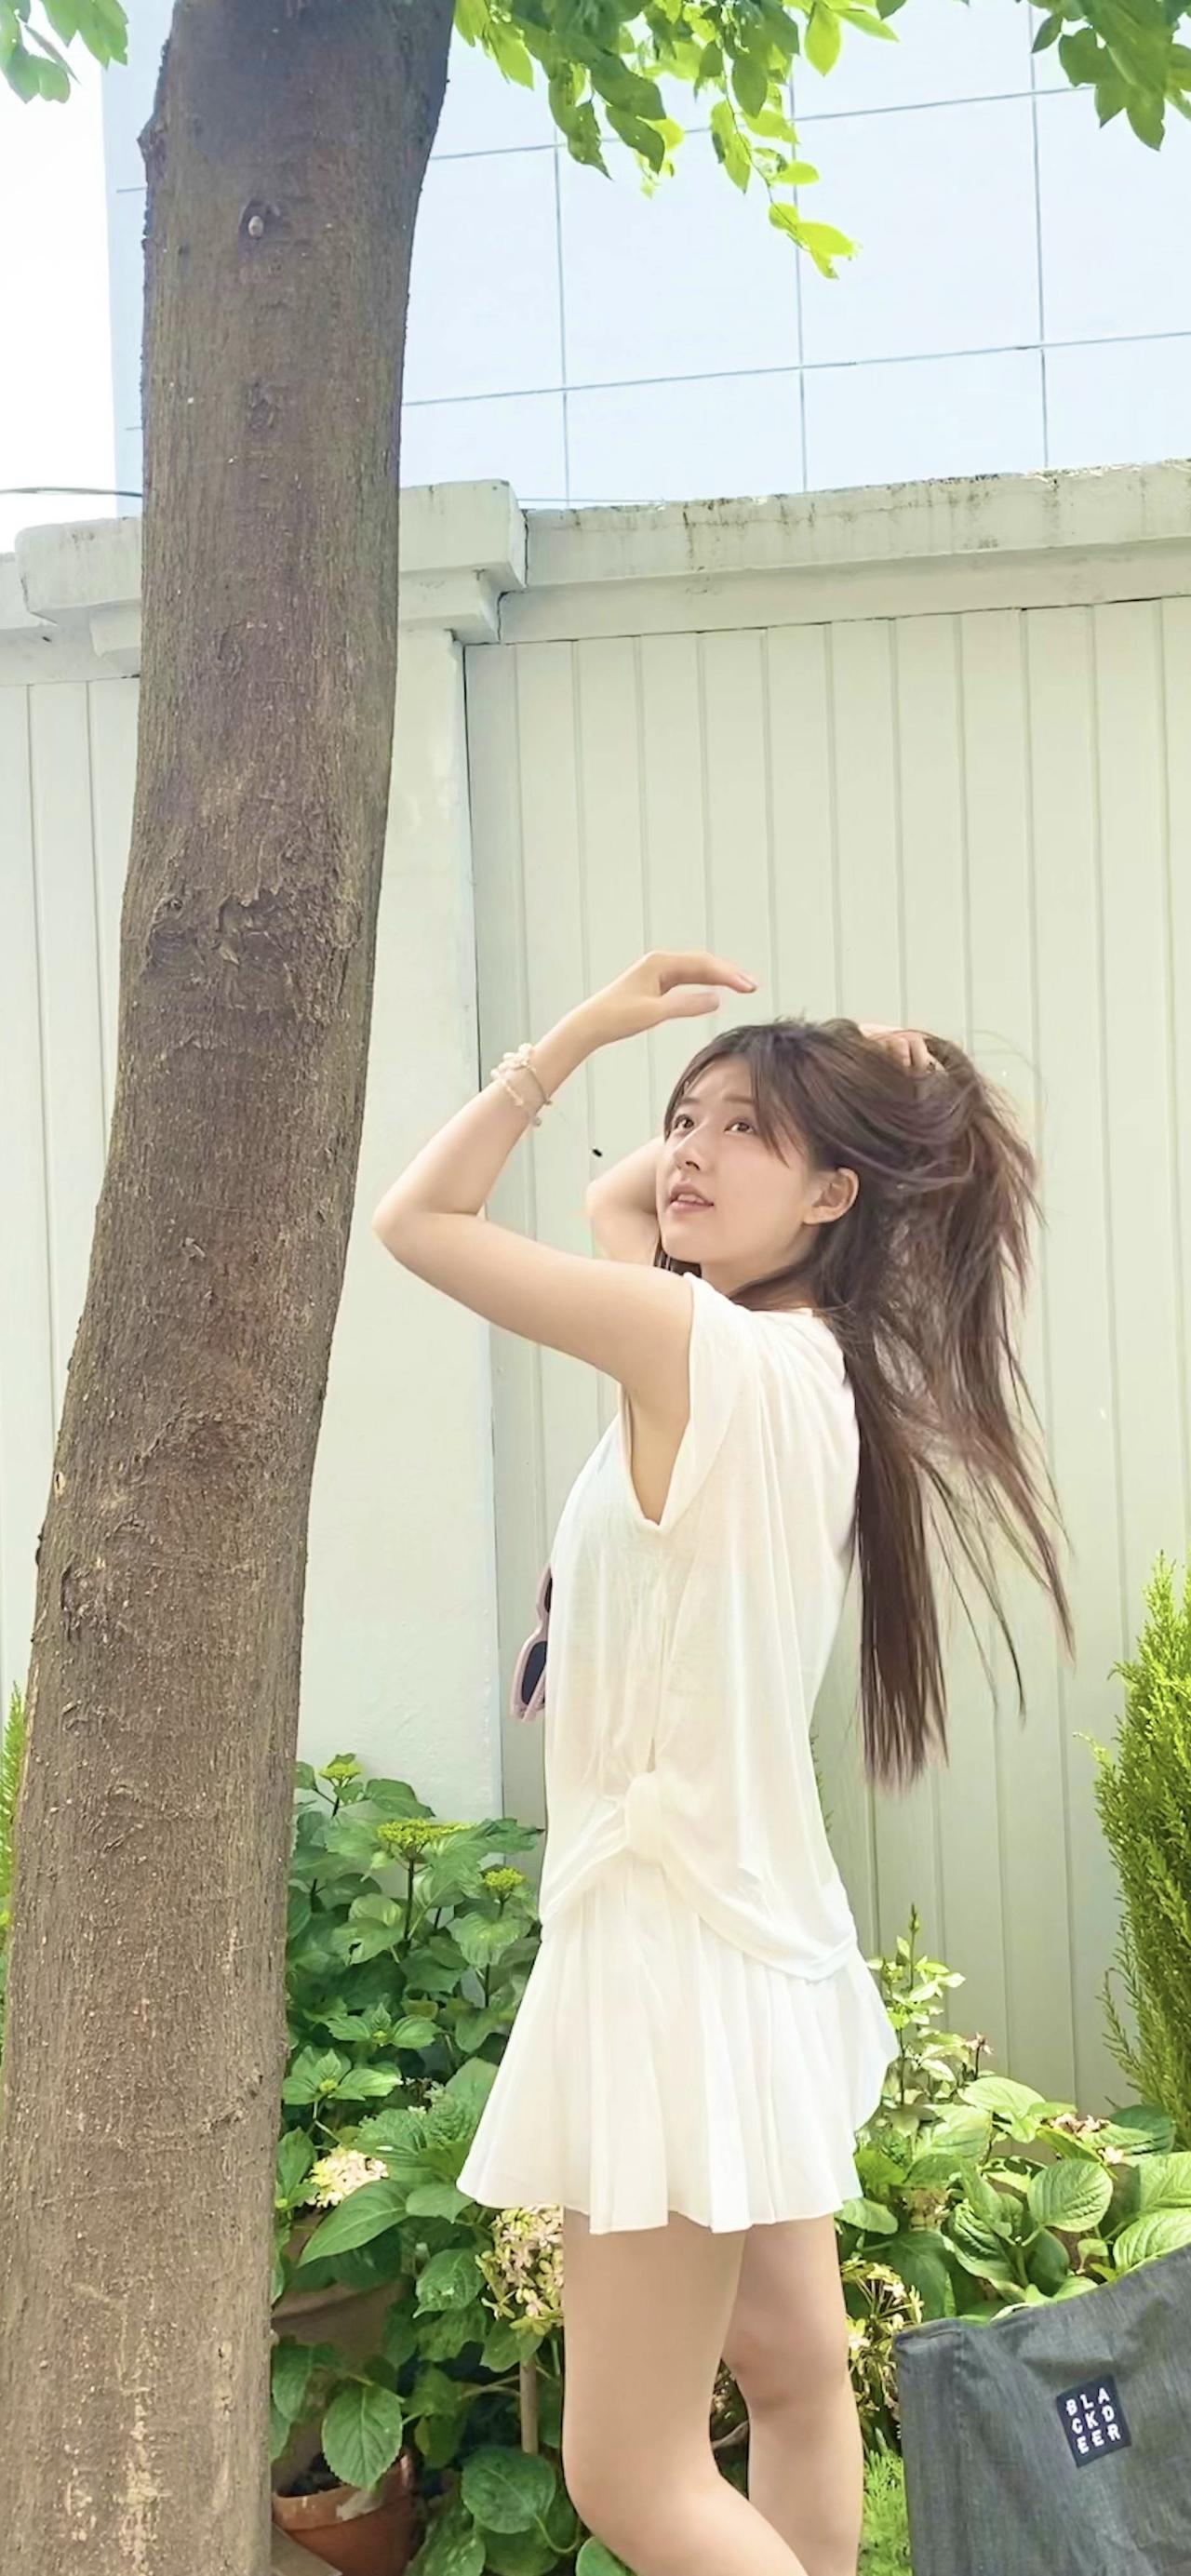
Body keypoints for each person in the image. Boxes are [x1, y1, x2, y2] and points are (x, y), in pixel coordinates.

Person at [369, 951, 1074, 2576]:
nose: (685, 1149)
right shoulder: (812, 1362)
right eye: (684, 1117)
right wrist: (824, 1102)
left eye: (744, 1129)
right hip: (755, 1937)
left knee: (630, 2471)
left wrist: (575, 1040)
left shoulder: (694, 1344)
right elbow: (634, 1203)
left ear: (834, 1195)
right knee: (794, 2375)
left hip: (665, 1949)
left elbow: (420, 1221)